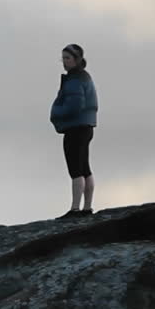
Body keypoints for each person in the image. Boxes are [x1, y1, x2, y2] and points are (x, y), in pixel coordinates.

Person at [49, 43, 98, 218]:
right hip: (86, 126)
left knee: (76, 169)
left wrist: (56, 113)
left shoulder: (75, 80)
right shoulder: (84, 77)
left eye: (67, 58)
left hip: (75, 128)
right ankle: (87, 207)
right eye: (62, 58)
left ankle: (75, 209)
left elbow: (75, 105)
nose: (64, 62)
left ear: (77, 60)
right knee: (84, 167)